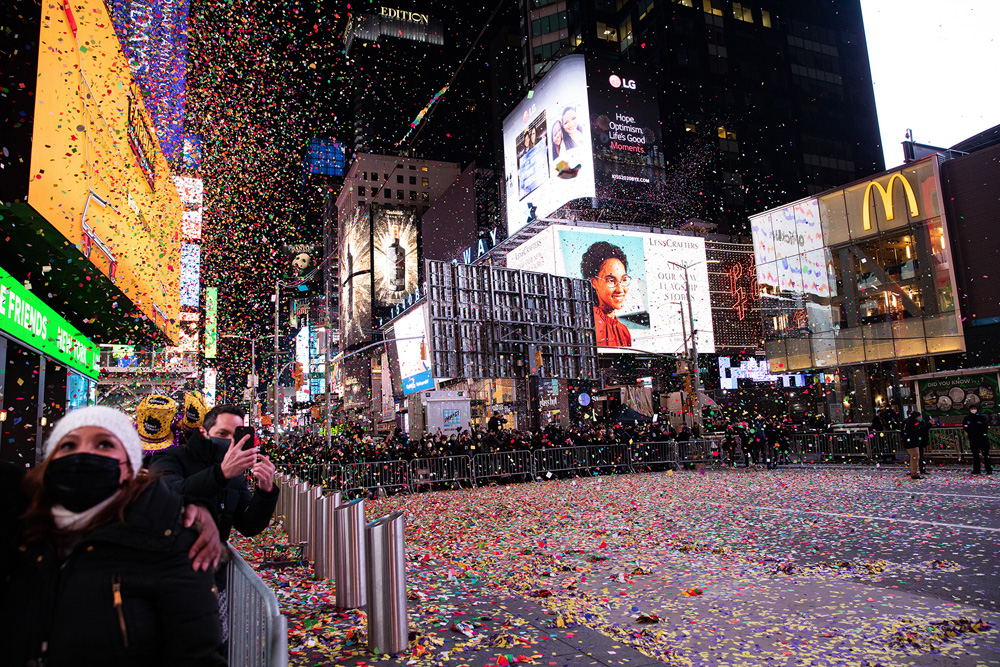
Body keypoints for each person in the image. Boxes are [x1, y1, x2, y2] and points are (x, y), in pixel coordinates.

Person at [0, 406, 225, 666]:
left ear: (129, 467)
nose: (84, 453)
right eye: (68, 445)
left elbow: (196, 655)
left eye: (105, 444)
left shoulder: (168, 541)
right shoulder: (21, 530)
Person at [150, 404, 278, 543]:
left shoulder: (235, 474)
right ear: (203, 431)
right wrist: (220, 474)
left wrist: (265, 492)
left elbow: (248, 526)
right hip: (168, 557)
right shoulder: (170, 458)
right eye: (222, 434)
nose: (229, 440)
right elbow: (165, 499)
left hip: (212, 561)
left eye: (235, 435)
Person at [581, 241, 633, 347]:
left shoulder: (624, 331)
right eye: (611, 280)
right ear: (593, 282)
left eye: (623, 279)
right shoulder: (588, 324)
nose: (620, 289)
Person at [962, 406, 993, 475]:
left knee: (986, 454)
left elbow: (985, 426)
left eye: (974, 409)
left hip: (982, 438)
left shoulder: (981, 417)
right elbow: (965, 426)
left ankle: (989, 469)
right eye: (972, 409)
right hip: (973, 439)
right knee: (975, 455)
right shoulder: (967, 418)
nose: (973, 410)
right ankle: (976, 469)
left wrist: (982, 433)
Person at [902, 412, 930, 479]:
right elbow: (919, 429)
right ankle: (915, 473)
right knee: (914, 458)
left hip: (911, 442)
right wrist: (929, 425)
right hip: (912, 443)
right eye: (919, 416)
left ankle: (915, 472)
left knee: (914, 458)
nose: (920, 417)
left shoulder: (909, 422)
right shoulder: (912, 423)